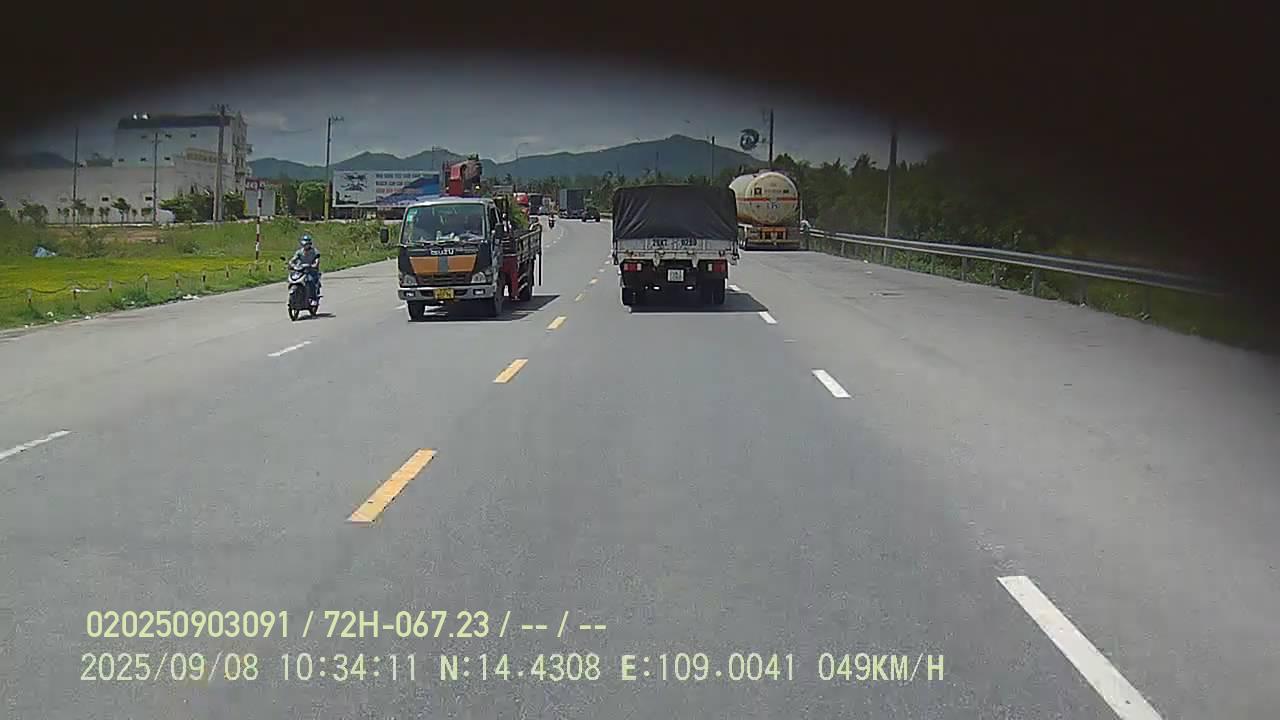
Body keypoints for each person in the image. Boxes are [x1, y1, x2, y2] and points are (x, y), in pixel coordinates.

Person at [289, 234, 321, 299]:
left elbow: (317, 261)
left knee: (310, 281)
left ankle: (313, 298)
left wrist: (313, 265)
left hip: (311, 271)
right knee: (293, 279)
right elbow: (293, 260)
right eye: (304, 244)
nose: (305, 246)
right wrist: (292, 264)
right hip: (301, 270)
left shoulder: (314, 251)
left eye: (307, 244)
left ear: (310, 244)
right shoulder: (299, 252)